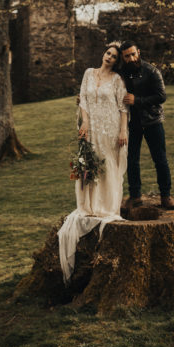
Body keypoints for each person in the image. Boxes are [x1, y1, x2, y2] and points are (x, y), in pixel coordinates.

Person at [57, 42, 129, 282]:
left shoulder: (118, 80)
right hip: (92, 127)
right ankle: (88, 204)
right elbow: (83, 101)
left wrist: (123, 131)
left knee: (107, 166)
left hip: (110, 128)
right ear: (103, 53)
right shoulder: (88, 73)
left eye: (114, 57)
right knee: (89, 164)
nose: (109, 58)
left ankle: (106, 206)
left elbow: (122, 108)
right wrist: (84, 122)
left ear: (117, 61)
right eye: (108, 53)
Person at [119, 41, 174, 210]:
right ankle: (135, 196)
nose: (131, 58)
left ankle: (166, 196)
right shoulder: (122, 73)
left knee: (160, 159)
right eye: (127, 56)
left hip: (153, 121)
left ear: (138, 52)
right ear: (123, 58)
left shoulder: (151, 71)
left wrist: (137, 100)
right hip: (133, 123)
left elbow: (161, 96)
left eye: (133, 54)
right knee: (132, 160)